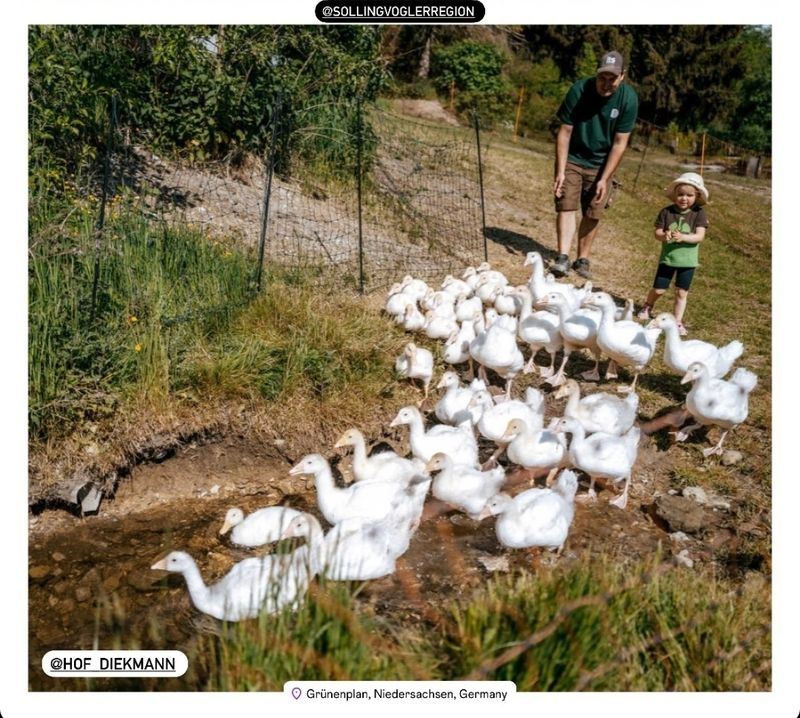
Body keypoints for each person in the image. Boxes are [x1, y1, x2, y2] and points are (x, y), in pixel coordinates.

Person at [551, 50, 639, 280]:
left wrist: (604, 178)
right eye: (602, 78)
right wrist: (560, 171)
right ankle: (562, 257)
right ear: (596, 75)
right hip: (573, 156)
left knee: (593, 210)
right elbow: (565, 131)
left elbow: (620, 143)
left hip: (602, 162)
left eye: (612, 79)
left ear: (622, 76)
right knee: (566, 204)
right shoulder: (579, 90)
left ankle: (582, 259)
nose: (606, 84)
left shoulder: (628, 99)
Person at [636, 172, 709, 335]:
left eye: (689, 195)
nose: (684, 198)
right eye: (681, 194)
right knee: (659, 290)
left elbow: (700, 236)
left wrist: (683, 237)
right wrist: (665, 235)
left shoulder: (699, 213)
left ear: (697, 196)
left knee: (681, 292)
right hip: (668, 259)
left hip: (688, 262)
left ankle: (677, 321)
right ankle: (647, 305)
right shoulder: (666, 212)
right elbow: (657, 233)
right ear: (675, 194)